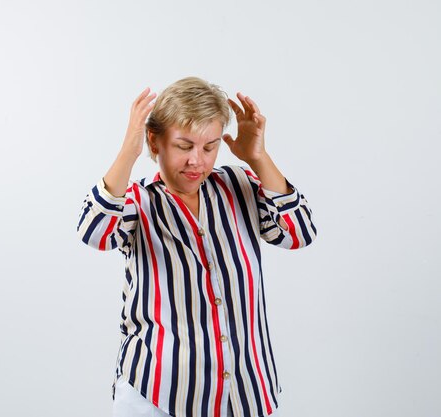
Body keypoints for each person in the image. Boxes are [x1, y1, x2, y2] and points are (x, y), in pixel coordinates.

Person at [77, 77, 317, 417]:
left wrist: (258, 158)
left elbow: (299, 233)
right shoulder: (136, 201)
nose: (197, 161)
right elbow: (94, 232)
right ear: (155, 142)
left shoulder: (239, 185)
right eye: (184, 146)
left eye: (209, 147)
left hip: (243, 394)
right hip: (157, 394)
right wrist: (127, 153)